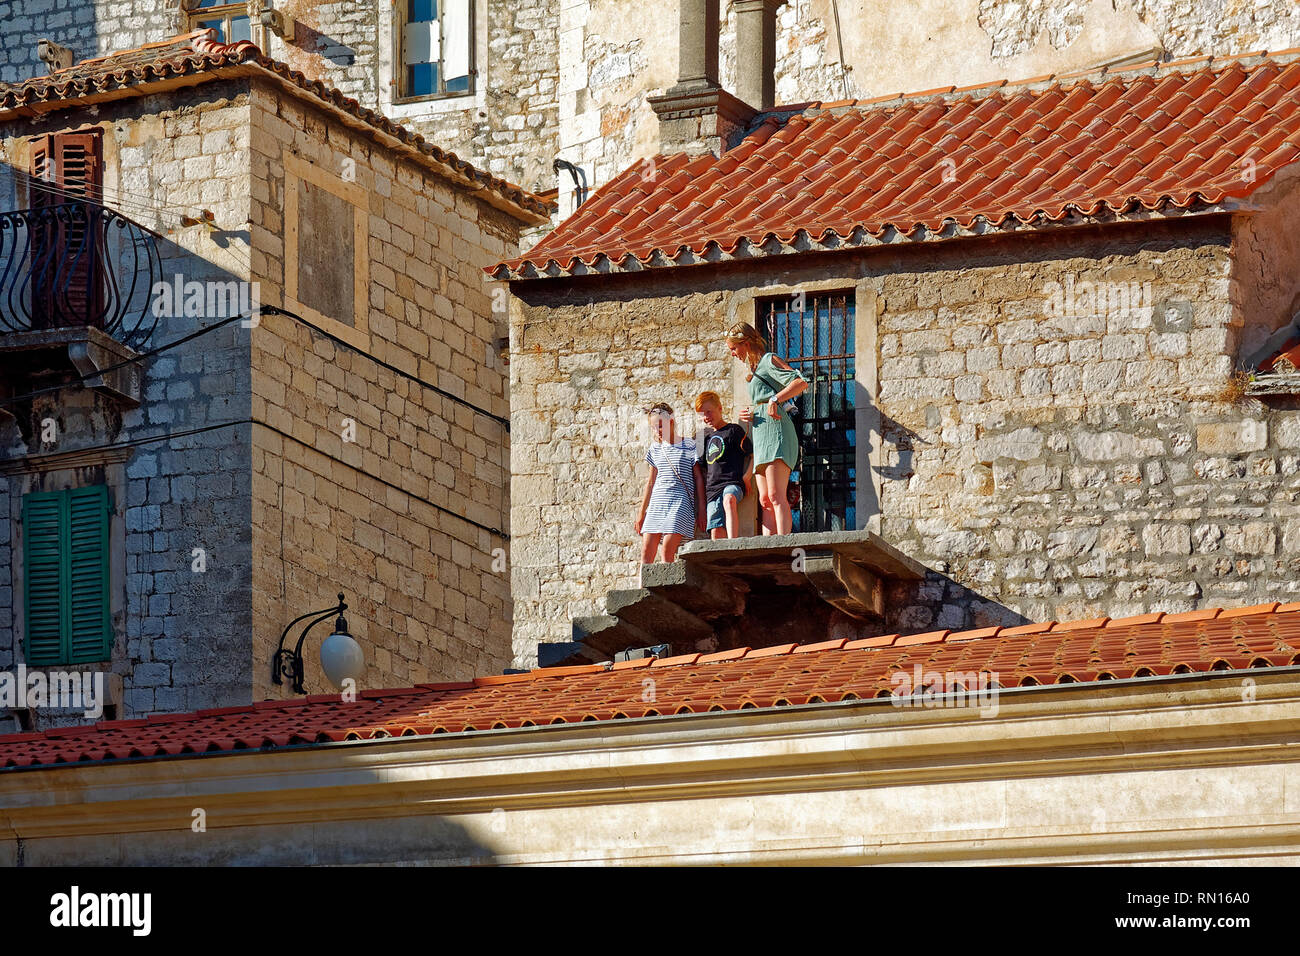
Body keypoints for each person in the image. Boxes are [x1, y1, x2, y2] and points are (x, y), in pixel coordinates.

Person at [725, 321, 808, 535]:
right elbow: (763, 402)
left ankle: (784, 544)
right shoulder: (752, 372)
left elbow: (800, 382)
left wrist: (774, 399)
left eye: (734, 348)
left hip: (777, 431)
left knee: (775, 495)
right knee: (764, 500)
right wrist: (752, 412)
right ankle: (768, 544)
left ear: (745, 343)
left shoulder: (769, 360)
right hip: (761, 434)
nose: (733, 354)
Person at [634, 402, 704, 563]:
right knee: (646, 552)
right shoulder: (655, 449)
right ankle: (643, 588)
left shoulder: (689, 445)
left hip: (680, 501)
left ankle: (667, 588)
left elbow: (699, 478)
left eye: (659, 426)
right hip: (657, 502)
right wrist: (641, 513)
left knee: (667, 551)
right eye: (653, 427)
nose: (656, 431)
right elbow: (651, 482)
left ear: (671, 422)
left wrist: (701, 508)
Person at [694, 390, 752, 539]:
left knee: (729, 499)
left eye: (709, 411)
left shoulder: (733, 430)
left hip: (732, 483)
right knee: (715, 527)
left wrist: (747, 477)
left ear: (720, 408)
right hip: (712, 490)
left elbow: (752, 455)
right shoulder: (703, 437)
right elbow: (701, 470)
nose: (707, 417)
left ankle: (733, 543)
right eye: (703, 414)